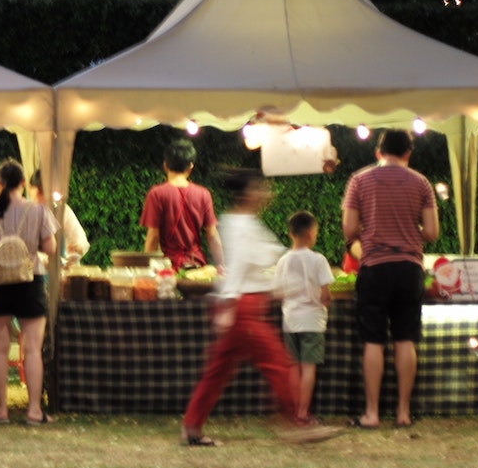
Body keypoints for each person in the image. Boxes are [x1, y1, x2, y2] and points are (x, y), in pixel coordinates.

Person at [181, 171, 339, 447]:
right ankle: (296, 422)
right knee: (277, 363)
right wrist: (230, 303)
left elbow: (248, 266)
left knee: (219, 369)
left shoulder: (241, 223)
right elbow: (239, 265)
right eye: (261, 188)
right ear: (249, 193)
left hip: (243, 305)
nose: (266, 193)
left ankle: (192, 426)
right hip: (243, 307)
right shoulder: (242, 225)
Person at [341, 128, 438, 430]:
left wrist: (375, 232)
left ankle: (371, 413)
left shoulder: (358, 180)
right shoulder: (422, 183)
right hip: (410, 268)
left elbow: (348, 230)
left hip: (374, 266)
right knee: (405, 338)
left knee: (373, 340)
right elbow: (432, 233)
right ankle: (403, 412)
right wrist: (408, 234)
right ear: (409, 153)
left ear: (378, 152)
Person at [0, 161, 56, 424]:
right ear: (23, 183)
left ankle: (2, 410)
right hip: (30, 280)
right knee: (33, 349)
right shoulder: (38, 210)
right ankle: (34, 410)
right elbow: (51, 247)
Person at [273, 211, 334, 426]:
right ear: (311, 233)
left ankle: (293, 411)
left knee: (293, 366)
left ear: (290, 233)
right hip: (313, 321)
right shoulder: (318, 260)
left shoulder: (282, 262)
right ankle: (302, 413)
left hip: (290, 319)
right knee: (308, 367)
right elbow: (326, 294)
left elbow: (278, 293)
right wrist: (323, 301)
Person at [142, 135, 219, 271]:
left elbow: (153, 237)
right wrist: (221, 265)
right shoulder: (203, 194)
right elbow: (212, 235)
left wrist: (146, 269)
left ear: (165, 165)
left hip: (168, 268)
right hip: (197, 266)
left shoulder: (157, 194)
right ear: (190, 166)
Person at [27, 170, 89, 269]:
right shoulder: (24, 213)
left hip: (63, 271)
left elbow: (81, 240)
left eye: (45, 192)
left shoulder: (62, 210)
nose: (42, 198)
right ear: (30, 189)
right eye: (39, 192)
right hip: (34, 274)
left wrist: (78, 248)